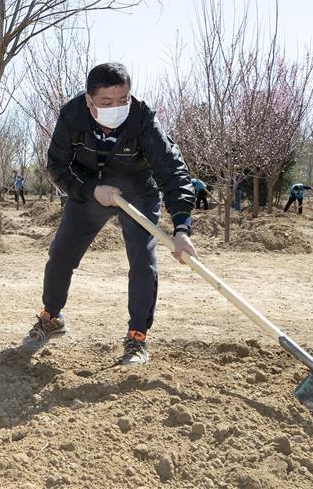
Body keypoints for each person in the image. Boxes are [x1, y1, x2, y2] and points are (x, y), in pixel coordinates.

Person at [22, 62, 198, 366]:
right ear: (90, 100)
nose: (116, 107)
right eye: (106, 102)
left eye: (123, 100)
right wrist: (90, 190)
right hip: (90, 188)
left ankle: (137, 337)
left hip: (137, 190)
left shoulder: (143, 119)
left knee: (143, 260)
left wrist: (182, 228)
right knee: (61, 253)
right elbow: (57, 166)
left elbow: (173, 171)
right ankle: (51, 317)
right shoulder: (72, 115)